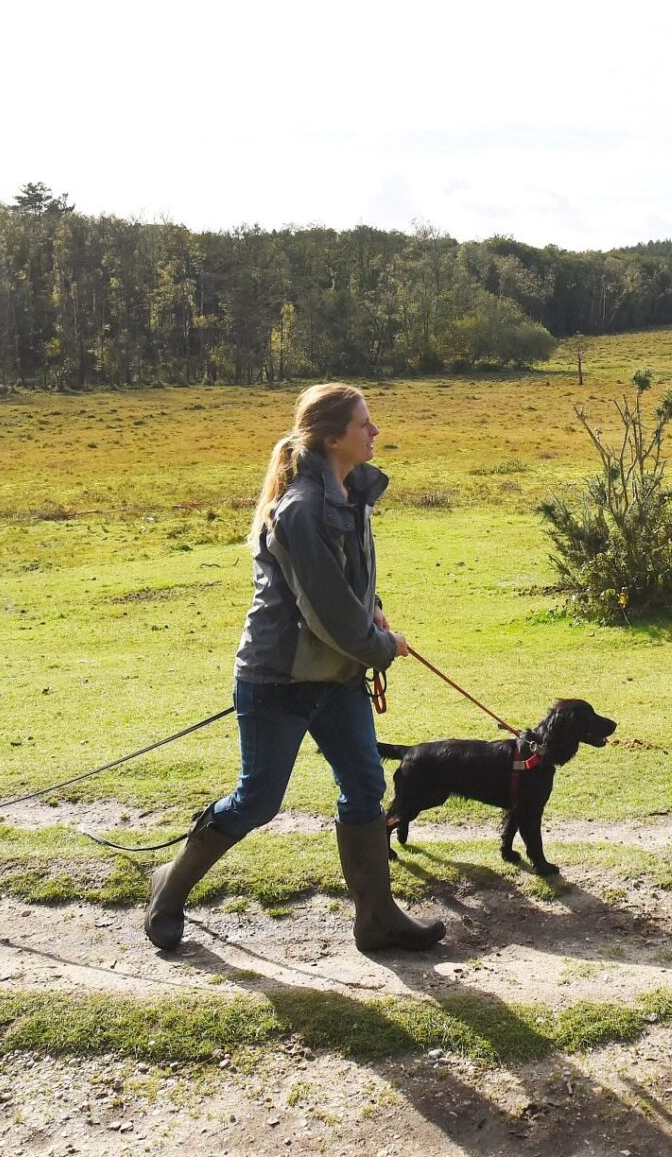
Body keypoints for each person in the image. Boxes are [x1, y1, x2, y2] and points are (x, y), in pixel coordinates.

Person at [142, 382, 446, 955]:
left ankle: (376, 919)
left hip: (336, 678)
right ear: (333, 438)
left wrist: (373, 609)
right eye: (364, 424)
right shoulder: (303, 509)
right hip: (277, 680)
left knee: (364, 787)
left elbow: (346, 585)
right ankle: (168, 887)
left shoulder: (351, 495)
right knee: (258, 801)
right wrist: (383, 646)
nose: (375, 432)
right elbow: (325, 609)